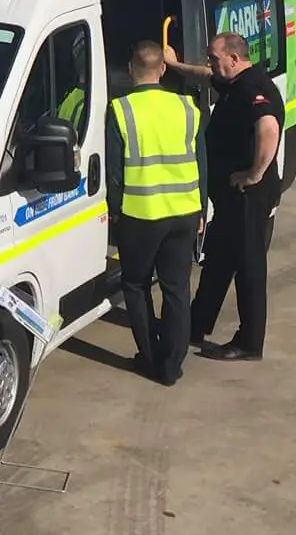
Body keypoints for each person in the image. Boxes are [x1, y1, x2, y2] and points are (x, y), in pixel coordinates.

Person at [168, 31, 284, 361]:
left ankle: (249, 342)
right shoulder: (234, 80)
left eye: (214, 58)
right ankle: (197, 322)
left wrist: (253, 174)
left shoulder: (253, 88)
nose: (210, 64)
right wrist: (174, 65)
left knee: (248, 267)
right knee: (218, 258)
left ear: (233, 59)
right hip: (231, 197)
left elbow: (268, 130)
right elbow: (205, 77)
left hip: (248, 196)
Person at [107, 41, 205, 385]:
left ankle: (150, 356)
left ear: (131, 70)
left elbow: (114, 171)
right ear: (163, 69)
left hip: (140, 213)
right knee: (176, 288)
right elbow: (200, 161)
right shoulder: (187, 107)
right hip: (184, 212)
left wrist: (115, 211)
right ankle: (172, 365)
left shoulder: (121, 110)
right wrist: (202, 207)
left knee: (135, 285)